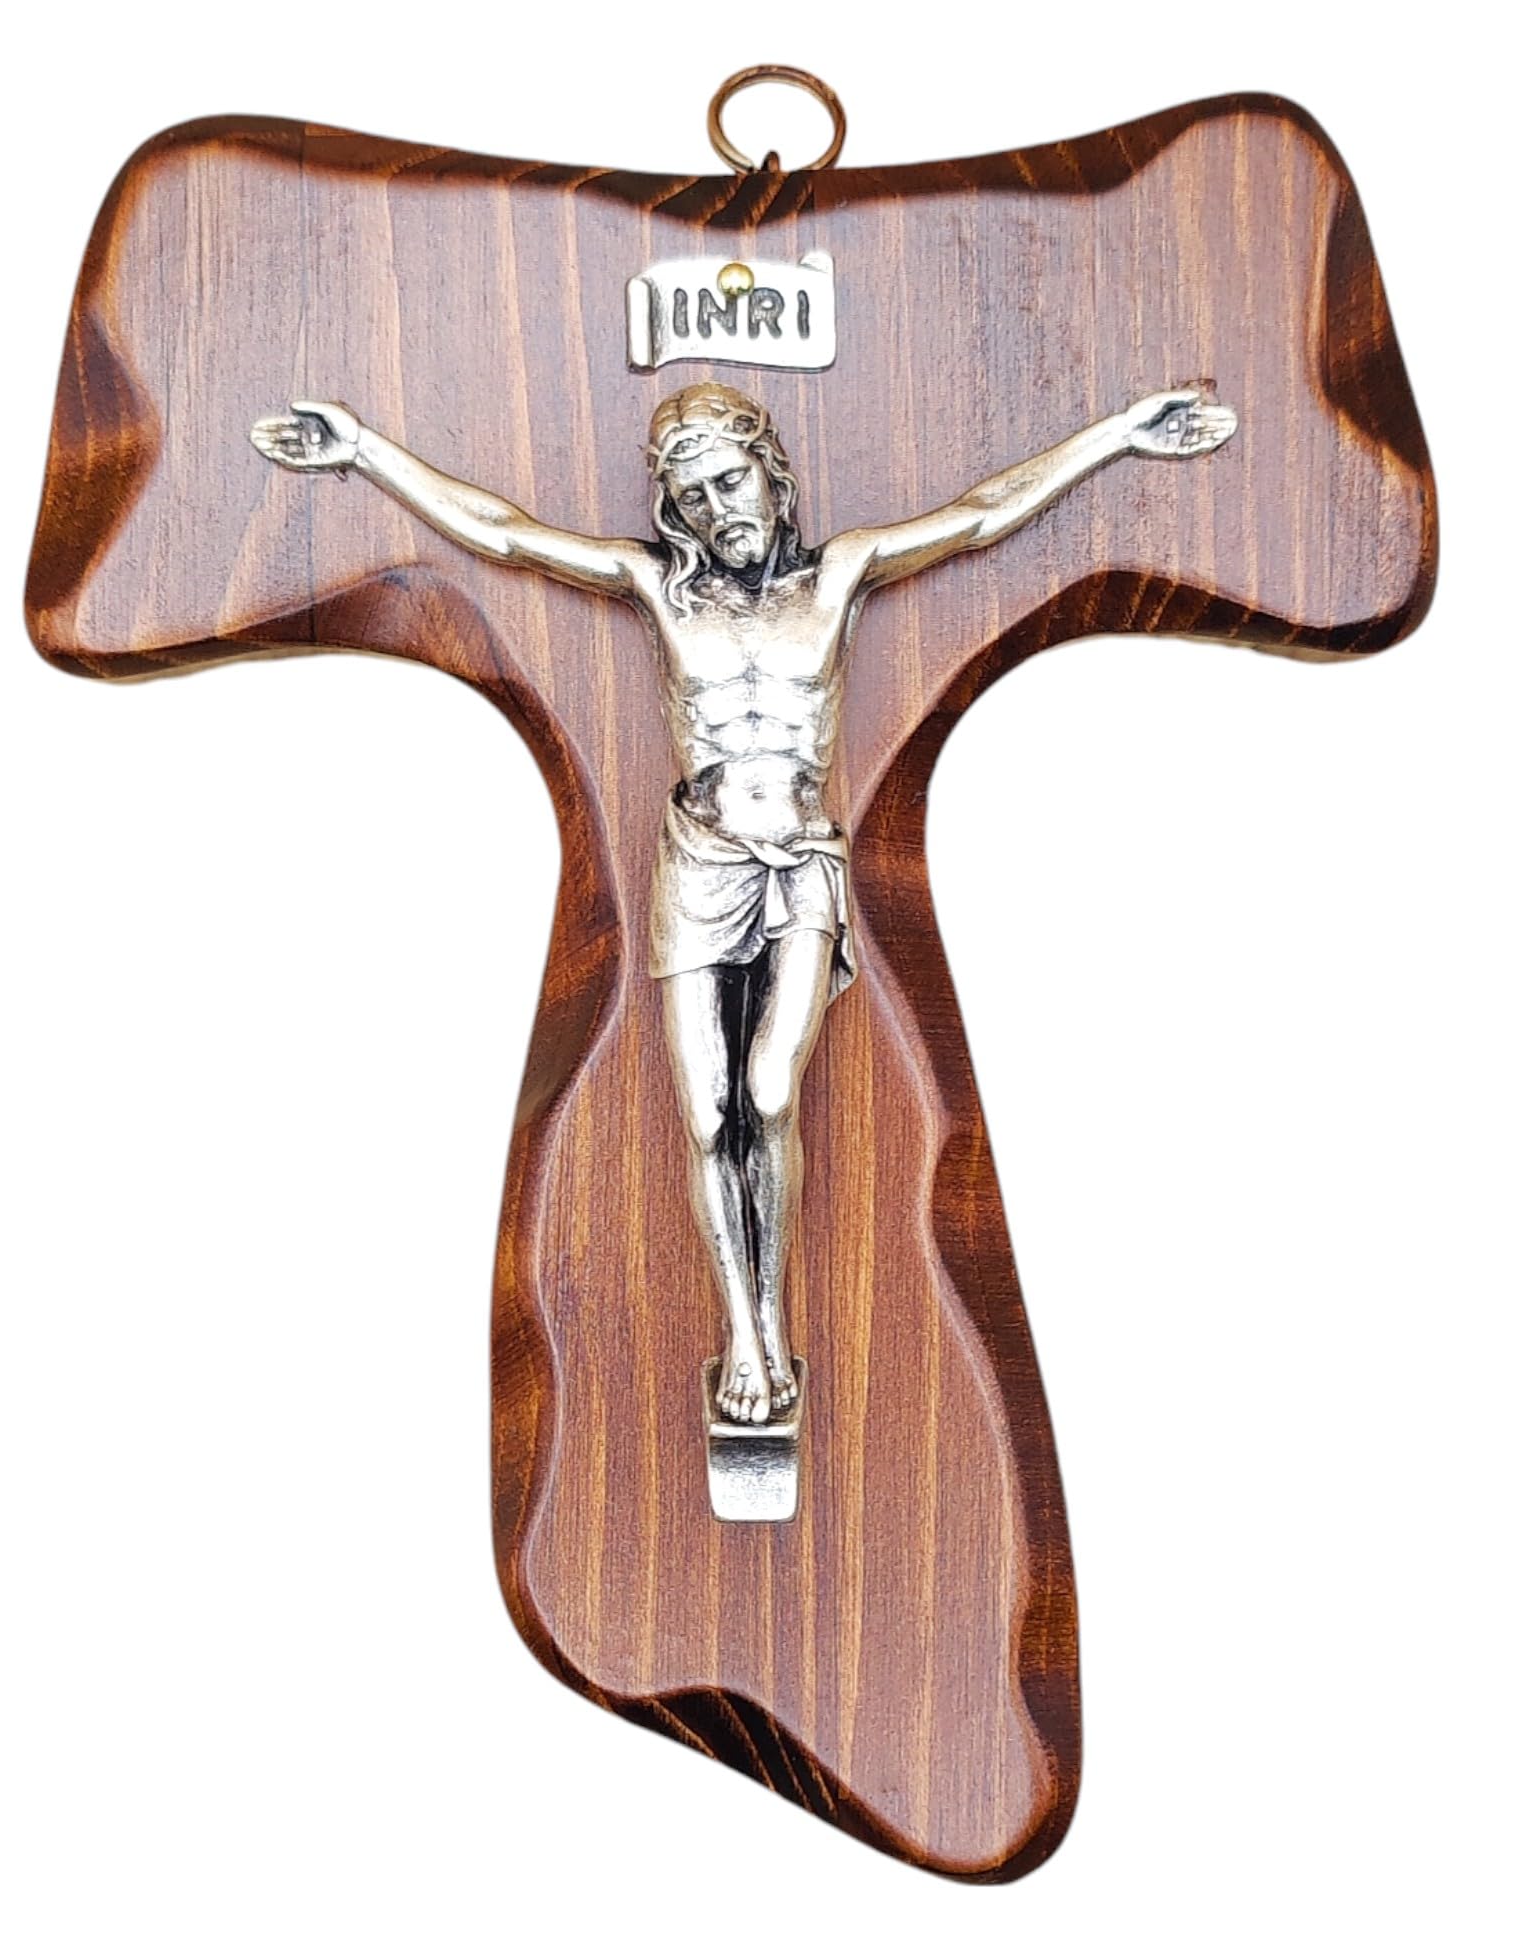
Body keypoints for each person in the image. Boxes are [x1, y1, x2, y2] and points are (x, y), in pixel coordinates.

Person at [252, 378, 1236, 1424]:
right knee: (707, 1114)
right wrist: (362, 450)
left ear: (771, 475)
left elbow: (983, 515)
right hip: (700, 862)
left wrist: (1119, 436)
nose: (718, 509)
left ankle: (769, 1321)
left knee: (769, 1095)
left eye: (729, 482)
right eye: (693, 496)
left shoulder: (840, 576)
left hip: (802, 861)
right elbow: (505, 534)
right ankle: (749, 1342)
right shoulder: (660, 588)